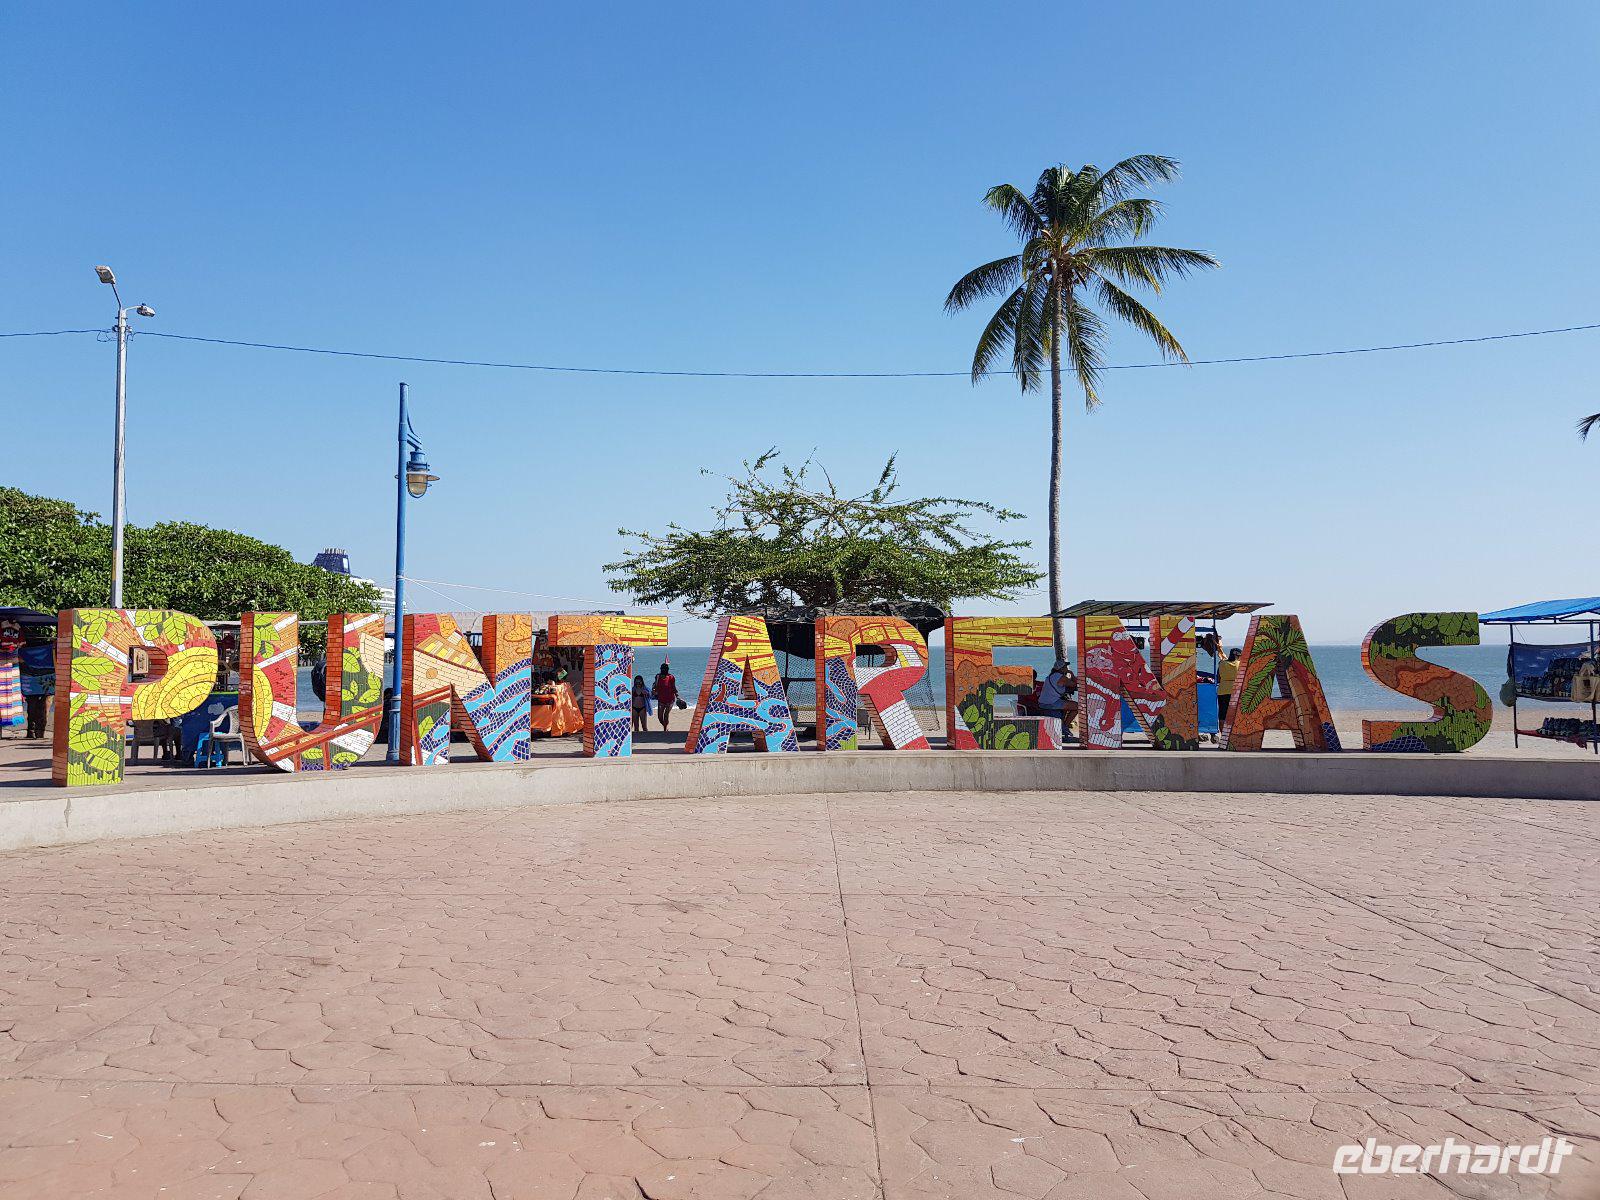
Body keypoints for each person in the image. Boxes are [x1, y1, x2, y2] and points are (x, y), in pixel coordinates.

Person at [1038, 659, 1079, 730]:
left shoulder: (1051, 676)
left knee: (1066, 705)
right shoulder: (1061, 677)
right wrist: (1071, 674)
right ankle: (1065, 728)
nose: (1067, 668)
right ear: (1061, 668)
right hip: (1051, 703)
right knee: (1077, 706)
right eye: (1065, 667)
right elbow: (1075, 684)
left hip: (1042, 702)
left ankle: (1062, 726)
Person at [1218, 648, 1241, 723]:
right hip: (1235, 691)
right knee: (1235, 713)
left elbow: (1218, 678)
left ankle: (1222, 734)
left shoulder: (1221, 663)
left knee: (1222, 714)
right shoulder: (1240, 664)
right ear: (1238, 655)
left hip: (1222, 691)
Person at [653, 662, 679, 731]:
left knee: (666, 714)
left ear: (668, 669)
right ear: (660, 669)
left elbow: (674, 688)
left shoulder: (671, 677)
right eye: (663, 668)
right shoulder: (657, 676)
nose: (664, 670)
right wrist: (653, 690)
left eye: (665, 668)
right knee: (660, 717)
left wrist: (677, 696)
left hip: (670, 699)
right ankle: (665, 725)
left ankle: (665, 729)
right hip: (661, 699)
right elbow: (655, 685)